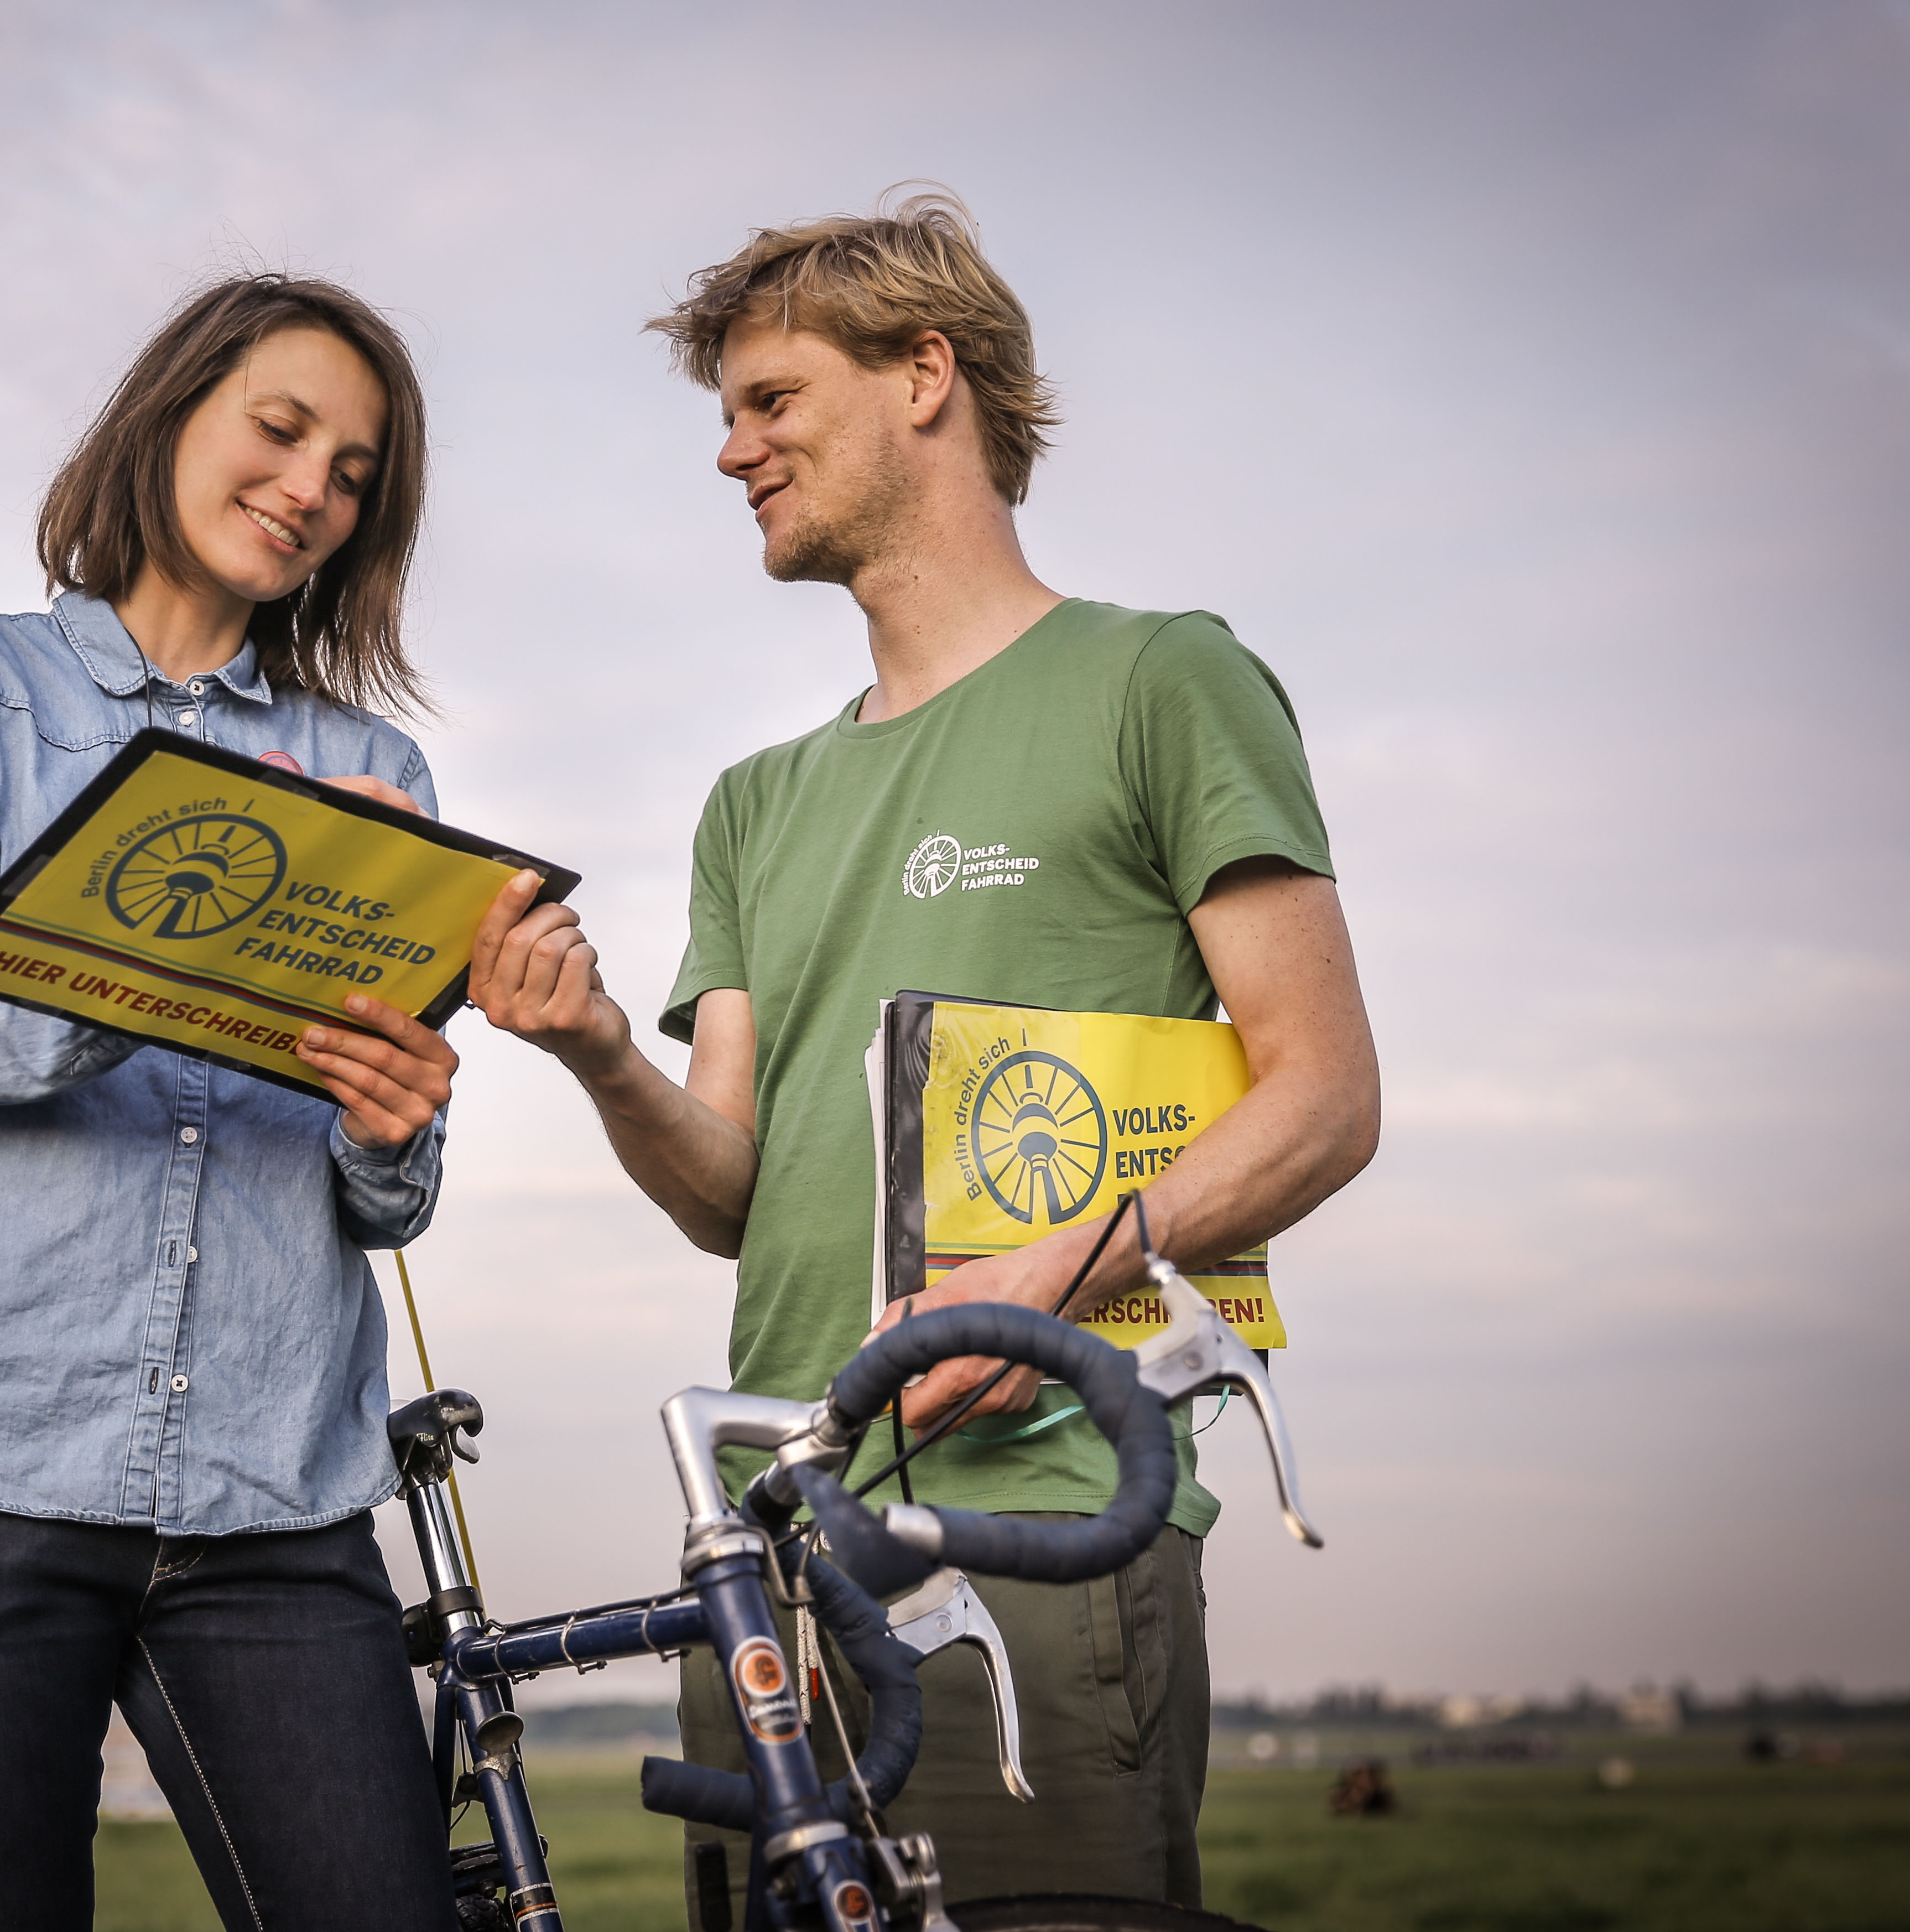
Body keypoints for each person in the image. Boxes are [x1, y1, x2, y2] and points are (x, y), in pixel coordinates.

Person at [467, 191, 1380, 1913]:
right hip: (766, 1552)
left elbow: (1326, 1097)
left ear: (925, 375)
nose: (731, 451)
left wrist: (1047, 1279)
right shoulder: (752, 804)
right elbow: (730, 1192)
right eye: (727, 414)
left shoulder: (1161, 679)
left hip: (1043, 1517)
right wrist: (596, 1050)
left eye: (771, 399)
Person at [0, 275, 460, 1932]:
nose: (309, 489)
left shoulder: (377, 778)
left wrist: (391, 1125)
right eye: (279, 430)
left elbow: (388, 1197)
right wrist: (200, 930)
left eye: (353, 475)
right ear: (169, 415)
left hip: (279, 1488)